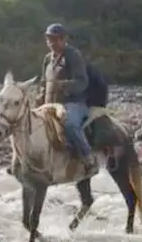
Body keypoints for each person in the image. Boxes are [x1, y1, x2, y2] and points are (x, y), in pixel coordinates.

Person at [41, 22, 101, 177]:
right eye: (49, 39)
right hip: (49, 104)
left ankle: (88, 157)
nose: (52, 43)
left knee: (70, 124)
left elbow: (82, 82)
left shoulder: (73, 55)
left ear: (63, 39)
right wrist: (38, 100)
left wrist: (62, 86)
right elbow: (43, 84)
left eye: (55, 39)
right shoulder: (47, 59)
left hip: (73, 103)